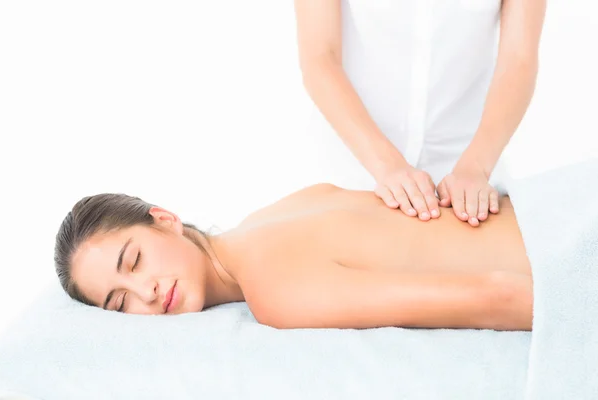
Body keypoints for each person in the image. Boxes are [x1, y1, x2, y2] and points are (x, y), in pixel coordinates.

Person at [54, 183, 533, 331]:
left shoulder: (274, 291)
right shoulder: (276, 211)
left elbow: (494, 296)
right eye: (121, 304)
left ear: (165, 219)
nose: (147, 293)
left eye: (134, 261)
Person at [295, 0, 546, 227]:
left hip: (469, 179)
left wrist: (476, 167)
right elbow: (320, 58)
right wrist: (387, 166)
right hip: (350, 164)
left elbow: (518, 60)